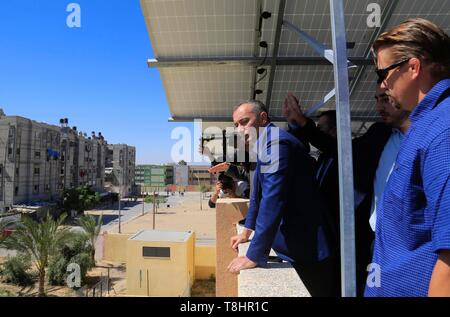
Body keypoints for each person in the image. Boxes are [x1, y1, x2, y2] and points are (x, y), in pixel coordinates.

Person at [283, 83, 410, 296]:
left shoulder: (432, 136)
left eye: (385, 99)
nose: (379, 106)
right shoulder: (380, 134)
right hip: (374, 242)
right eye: (377, 99)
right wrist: (303, 124)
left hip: (411, 244)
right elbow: (342, 151)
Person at [365, 18, 450, 297]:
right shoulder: (427, 123)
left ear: (413, 68)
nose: (382, 85)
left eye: (383, 73)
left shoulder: (443, 130)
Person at [227, 100, 335, 297]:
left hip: (307, 246)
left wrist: (254, 254)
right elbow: (258, 194)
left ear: (262, 118)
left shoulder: (275, 143)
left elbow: (272, 199)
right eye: (236, 125)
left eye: (244, 122)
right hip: (295, 244)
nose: (240, 130)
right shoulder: (267, 143)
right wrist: (247, 231)